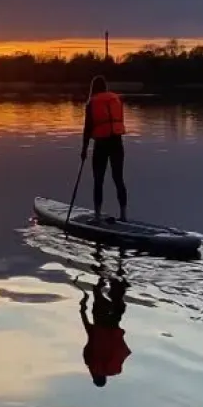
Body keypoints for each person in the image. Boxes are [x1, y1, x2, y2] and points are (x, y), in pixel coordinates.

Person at [78, 250, 131, 387]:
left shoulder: (114, 366)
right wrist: (82, 310)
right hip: (100, 319)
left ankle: (121, 263)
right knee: (98, 290)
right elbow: (90, 335)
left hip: (114, 323)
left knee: (117, 296)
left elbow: (122, 350)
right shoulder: (91, 362)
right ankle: (100, 257)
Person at [81, 74, 128, 223]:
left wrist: (84, 150)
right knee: (118, 179)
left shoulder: (92, 103)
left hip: (101, 144)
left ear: (93, 88)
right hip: (117, 143)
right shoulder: (116, 99)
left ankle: (97, 216)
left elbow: (87, 129)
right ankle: (123, 215)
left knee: (98, 180)